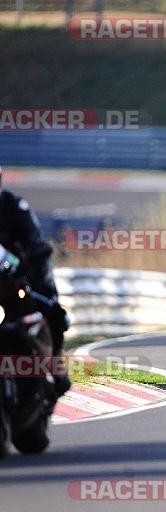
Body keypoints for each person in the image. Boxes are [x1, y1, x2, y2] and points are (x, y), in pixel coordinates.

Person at [0, 165, 71, 397]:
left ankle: (56, 365)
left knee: (53, 311)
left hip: (13, 283)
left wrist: (32, 262)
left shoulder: (13, 207)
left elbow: (36, 244)